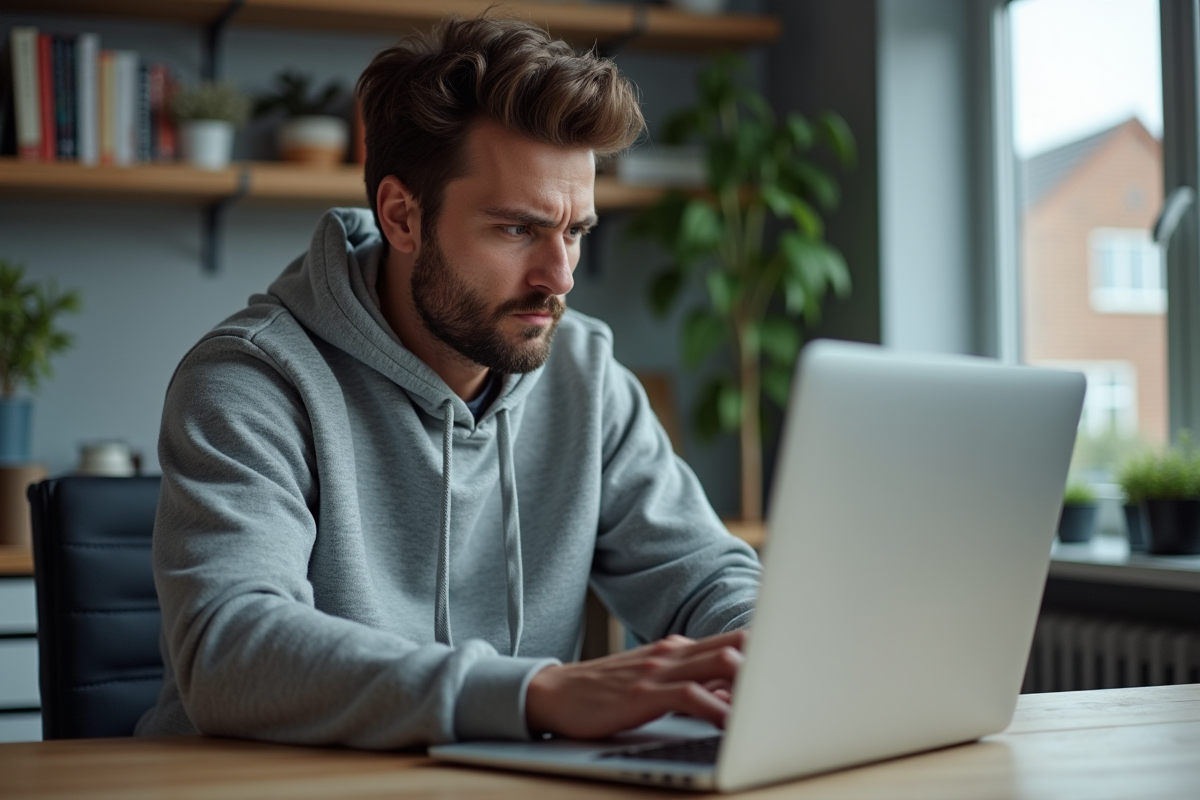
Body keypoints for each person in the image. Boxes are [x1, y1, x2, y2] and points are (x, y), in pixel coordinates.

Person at [136, 15, 761, 748]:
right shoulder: (252, 382)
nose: (558, 277)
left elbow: (703, 575)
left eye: (576, 232)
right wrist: (534, 692)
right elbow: (230, 652)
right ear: (403, 216)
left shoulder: (586, 375)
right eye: (517, 229)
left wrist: (760, 653)